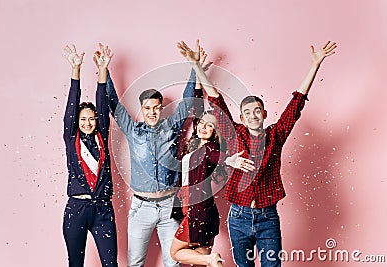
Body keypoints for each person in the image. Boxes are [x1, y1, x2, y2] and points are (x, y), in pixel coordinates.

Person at [177, 40, 337, 267]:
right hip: (238, 218)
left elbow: (296, 103)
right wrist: (198, 68)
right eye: (247, 112)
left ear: (264, 114)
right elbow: (215, 100)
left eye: (257, 111)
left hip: (268, 218)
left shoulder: (276, 136)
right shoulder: (234, 134)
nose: (252, 115)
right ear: (241, 118)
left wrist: (315, 65)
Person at [105, 41, 207, 266]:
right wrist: (104, 72)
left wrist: (195, 65)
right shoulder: (133, 130)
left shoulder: (172, 126)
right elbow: (113, 104)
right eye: (147, 108)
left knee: (173, 262)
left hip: (169, 206)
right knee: (135, 262)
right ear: (142, 109)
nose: (152, 112)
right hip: (142, 207)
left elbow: (188, 100)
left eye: (156, 107)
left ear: (161, 108)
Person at [170, 111, 255, 267]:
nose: (204, 126)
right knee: (199, 264)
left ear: (215, 132)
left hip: (197, 212)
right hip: (204, 212)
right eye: (202, 122)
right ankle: (210, 261)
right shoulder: (195, 147)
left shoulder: (209, 148)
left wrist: (229, 160)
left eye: (210, 125)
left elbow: (217, 156)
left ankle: (211, 260)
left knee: (175, 253)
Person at [62, 43, 118, 267]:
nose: (87, 122)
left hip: (103, 209)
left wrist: (102, 70)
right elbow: (71, 106)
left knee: (110, 263)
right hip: (77, 208)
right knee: (76, 263)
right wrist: (76, 69)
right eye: (83, 119)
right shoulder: (71, 138)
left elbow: (102, 103)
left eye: (91, 119)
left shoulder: (102, 137)